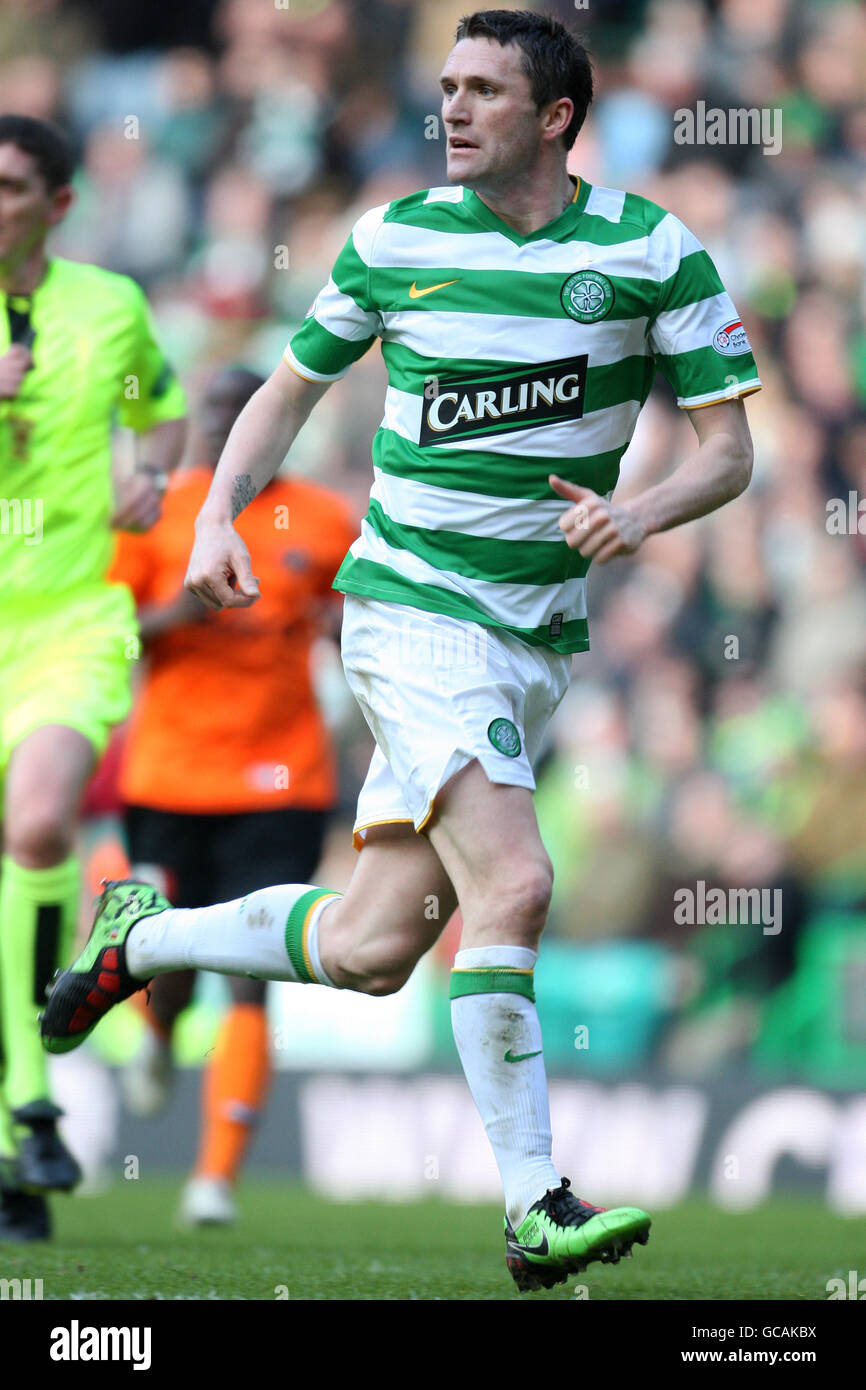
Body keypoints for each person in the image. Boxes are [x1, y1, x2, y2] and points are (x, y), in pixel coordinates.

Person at [42, 10, 760, 1292]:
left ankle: (141, 940)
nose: (454, 107)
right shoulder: (393, 237)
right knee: (518, 884)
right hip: (413, 610)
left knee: (374, 951)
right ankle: (533, 1200)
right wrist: (215, 510)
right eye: (446, 85)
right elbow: (286, 390)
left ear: (554, 116)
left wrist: (635, 512)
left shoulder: (651, 250)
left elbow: (727, 449)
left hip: (533, 639)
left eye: (486, 89)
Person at [110, 365, 357, 1225]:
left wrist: (342, 628)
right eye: (213, 408)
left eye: (239, 410)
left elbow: (354, 617)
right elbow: (102, 636)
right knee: (168, 960)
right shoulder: (156, 514)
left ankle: (214, 1179)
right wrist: (175, 617)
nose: (222, 423)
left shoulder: (323, 520)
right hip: (169, 777)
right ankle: (155, 1031)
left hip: (280, 780)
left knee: (251, 980)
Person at [0, 114, 187, 1241]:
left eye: (11, 186)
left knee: (35, 825)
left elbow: (155, 411)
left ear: (58, 205)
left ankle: (31, 1098)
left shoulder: (110, 305)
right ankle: (27, 1115)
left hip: (71, 617)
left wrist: (151, 481)